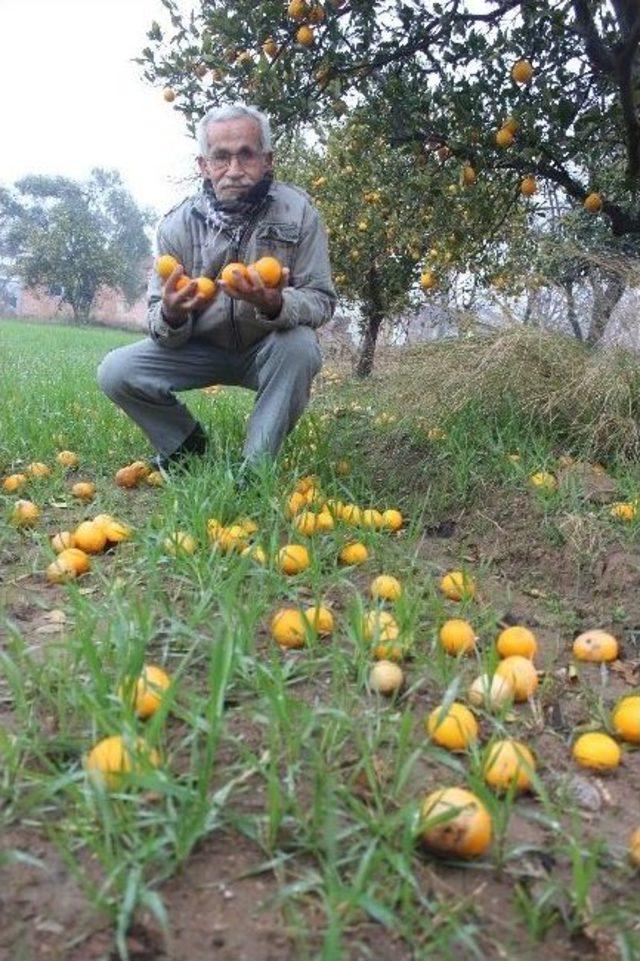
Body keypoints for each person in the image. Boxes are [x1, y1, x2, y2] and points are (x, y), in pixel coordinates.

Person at [97, 103, 336, 485]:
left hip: (266, 349)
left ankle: (255, 471)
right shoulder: (176, 225)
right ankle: (185, 446)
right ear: (203, 165)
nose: (235, 170)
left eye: (246, 154)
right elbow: (159, 322)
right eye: (221, 157)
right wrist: (173, 314)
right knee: (116, 370)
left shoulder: (299, 213)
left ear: (267, 160)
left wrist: (276, 304)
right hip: (200, 349)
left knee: (301, 346)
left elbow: (322, 299)